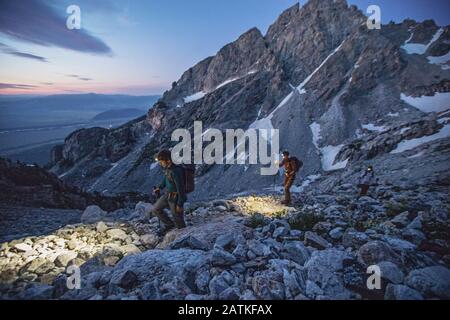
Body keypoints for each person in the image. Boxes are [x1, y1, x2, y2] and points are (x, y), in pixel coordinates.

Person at [149, 149, 187, 234]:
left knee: (177, 218)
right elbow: (166, 179)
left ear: (168, 160)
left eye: (161, 161)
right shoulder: (168, 169)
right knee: (156, 209)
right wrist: (159, 187)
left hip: (176, 196)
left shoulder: (176, 171)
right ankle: (169, 225)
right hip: (168, 194)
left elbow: (181, 188)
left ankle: (182, 234)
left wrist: (180, 204)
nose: (160, 163)